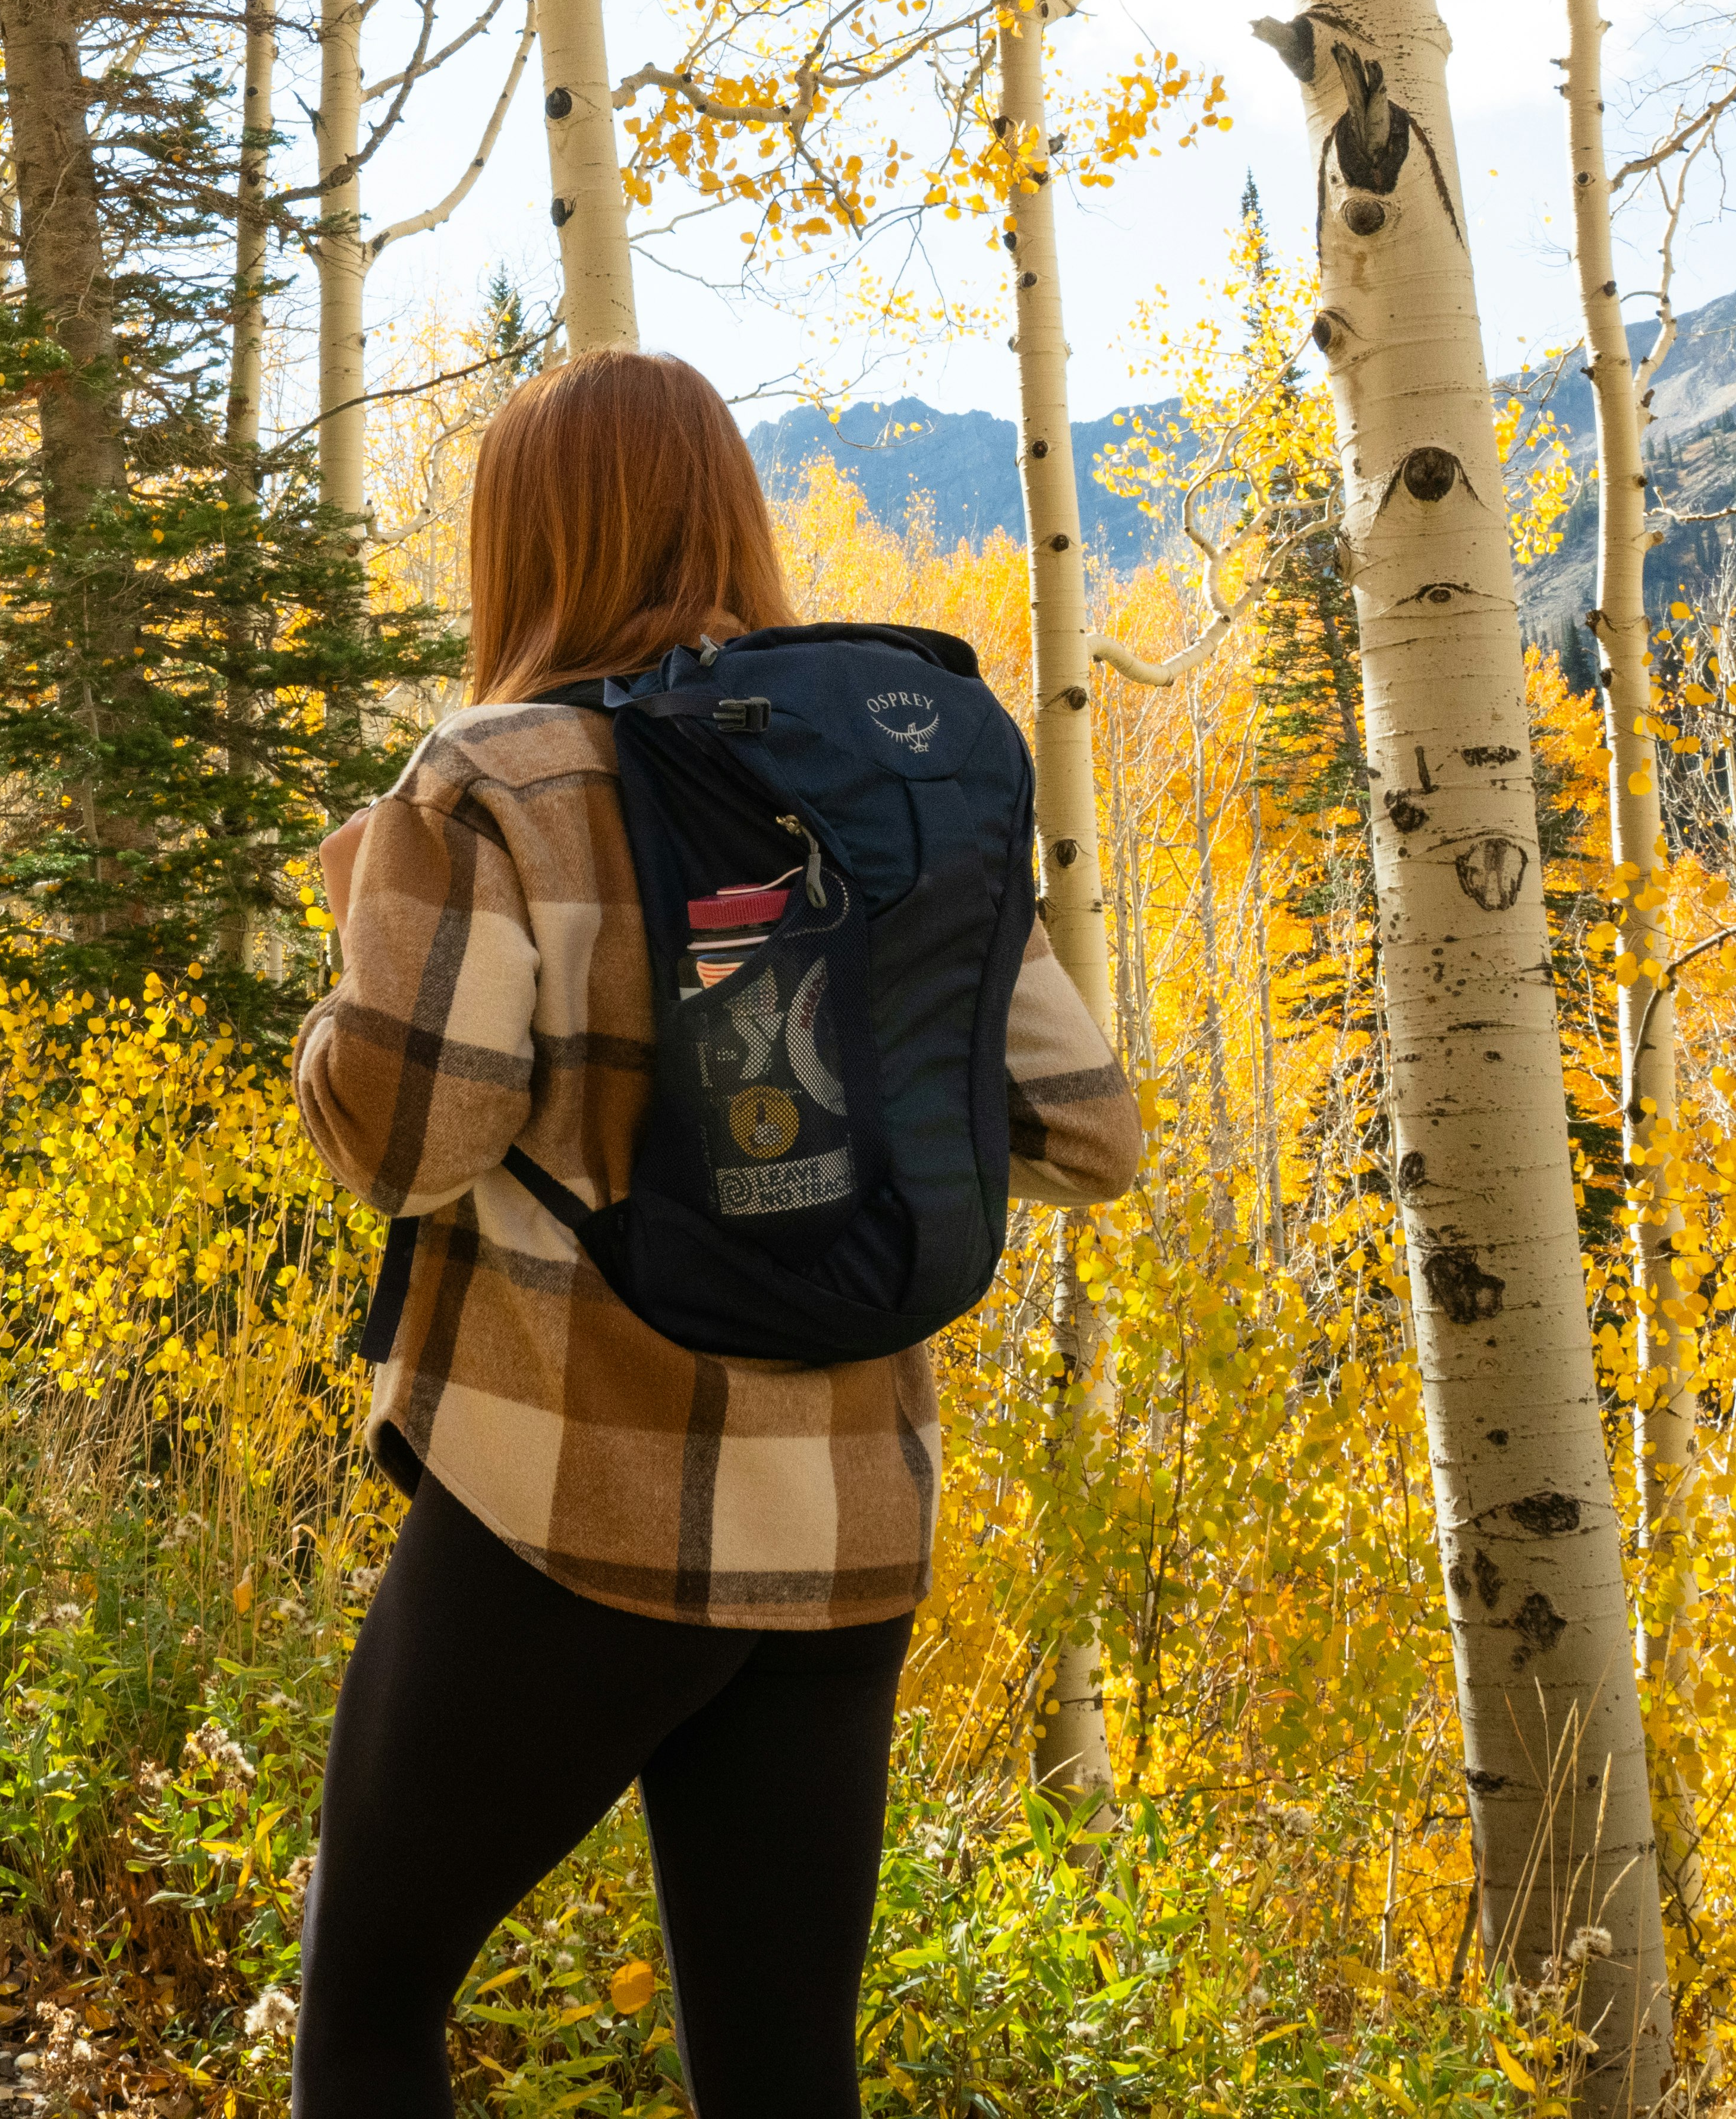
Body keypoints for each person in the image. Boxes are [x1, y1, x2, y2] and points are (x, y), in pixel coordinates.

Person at [285, 349, 1147, 2118]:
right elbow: (1085, 1130)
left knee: (369, 2013)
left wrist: (361, 925)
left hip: (573, 1503)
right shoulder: (877, 784)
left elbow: (410, 1142)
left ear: (521, 543)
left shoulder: (495, 777)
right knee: (780, 2073)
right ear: (731, 515)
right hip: (847, 1521)